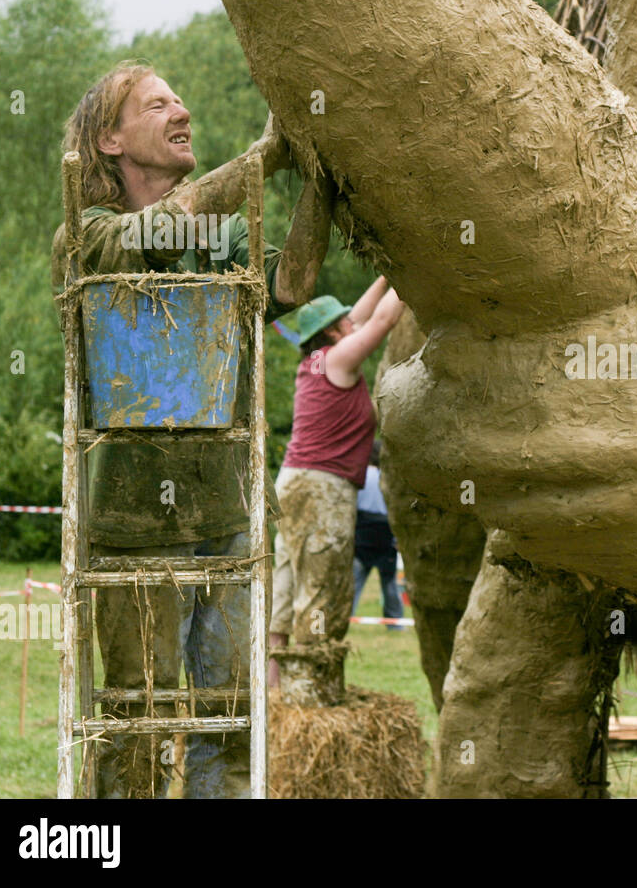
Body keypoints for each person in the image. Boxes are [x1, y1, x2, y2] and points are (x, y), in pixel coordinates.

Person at [50, 60, 334, 799]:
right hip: (134, 520)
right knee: (134, 722)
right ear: (109, 141)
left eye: (181, 98)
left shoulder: (224, 238)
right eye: (157, 104)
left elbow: (293, 285)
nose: (182, 110)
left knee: (229, 718)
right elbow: (152, 237)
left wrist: (323, 174)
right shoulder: (86, 235)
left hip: (230, 515)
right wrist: (265, 157)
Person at [269, 278, 405, 694]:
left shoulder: (317, 362)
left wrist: (385, 274)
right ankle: (309, 694)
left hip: (293, 482)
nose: (352, 321)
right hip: (323, 489)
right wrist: (408, 271)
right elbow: (380, 320)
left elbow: (361, 316)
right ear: (331, 331)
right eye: (343, 321)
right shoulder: (339, 361)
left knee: (288, 583)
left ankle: (274, 694)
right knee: (321, 588)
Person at [351, 440, 404, 631]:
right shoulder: (389, 478)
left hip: (362, 536)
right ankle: (396, 624)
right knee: (390, 587)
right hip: (386, 536)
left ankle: (344, 619)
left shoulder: (360, 476)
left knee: (353, 586)